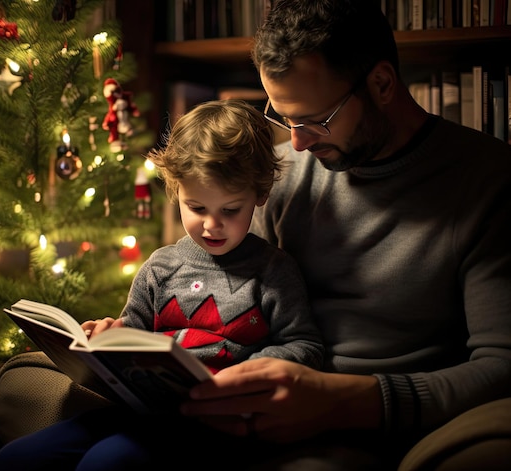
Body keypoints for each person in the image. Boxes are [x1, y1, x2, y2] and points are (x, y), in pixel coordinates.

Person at [177, 0, 511, 469]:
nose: (297, 143)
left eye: (316, 119)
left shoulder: (487, 181)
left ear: (381, 84)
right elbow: (221, 290)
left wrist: (344, 401)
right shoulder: (282, 176)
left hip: (380, 431)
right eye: (282, 116)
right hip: (257, 409)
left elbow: (502, 369)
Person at [0, 99, 324, 471]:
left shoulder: (273, 272)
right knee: (15, 460)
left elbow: (306, 346)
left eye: (230, 210)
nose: (212, 225)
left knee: (106, 463)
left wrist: (254, 370)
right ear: (175, 190)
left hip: (214, 425)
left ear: (259, 195)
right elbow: (130, 338)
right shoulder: (159, 268)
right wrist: (103, 335)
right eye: (196, 208)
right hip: (141, 411)